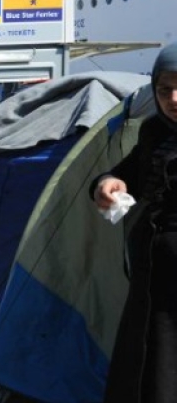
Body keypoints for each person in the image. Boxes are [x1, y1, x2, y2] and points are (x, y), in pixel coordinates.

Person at [92, 41, 177, 402]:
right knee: (148, 364)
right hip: (151, 279)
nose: (173, 98)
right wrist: (107, 184)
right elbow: (126, 176)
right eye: (164, 89)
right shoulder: (152, 133)